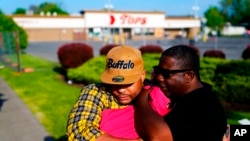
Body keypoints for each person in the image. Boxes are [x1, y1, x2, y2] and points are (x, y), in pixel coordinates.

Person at [66, 45, 170, 141]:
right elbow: (78, 132)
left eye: (128, 83)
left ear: (142, 75)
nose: (121, 90)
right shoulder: (96, 92)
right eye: (114, 83)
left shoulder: (155, 92)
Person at [133, 44, 228, 141]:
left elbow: (158, 138)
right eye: (158, 70)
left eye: (166, 74)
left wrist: (141, 100)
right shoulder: (191, 98)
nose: (159, 77)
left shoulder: (201, 106)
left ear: (189, 76)